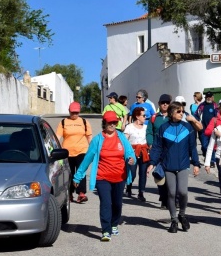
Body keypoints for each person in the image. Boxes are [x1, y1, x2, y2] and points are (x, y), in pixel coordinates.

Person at [73, 111, 135, 242]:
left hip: (120, 176)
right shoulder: (97, 140)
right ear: (104, 123)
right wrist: (77, 177)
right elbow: (87, 159)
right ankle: (106, 230)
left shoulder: (121, 137)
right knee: (106, 203)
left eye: (114, 122)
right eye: (110, 122)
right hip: (103, 177)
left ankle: (114, 224)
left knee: (117, 204)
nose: (112, 124)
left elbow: (130, 152)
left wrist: (131, 159)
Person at [149, 103, 201, 234]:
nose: (181, 114)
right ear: (172, 113)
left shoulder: (188, 127)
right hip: (168, 166)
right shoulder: (163, 128)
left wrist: (196, 163)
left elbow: (192, 147)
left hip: (183, 165)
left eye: (182, 111)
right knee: (171, 193)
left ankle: (182, 215)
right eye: (179, 111)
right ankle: (173, 220)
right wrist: (152, 163)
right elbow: (157, 147)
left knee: (183, 192)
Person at [56, 102, 93, 204]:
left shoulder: (84, 122)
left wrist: (93, 149)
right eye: (73, 112)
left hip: (82, 150)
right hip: (67, 152)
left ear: (79, 112)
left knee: (81, 171)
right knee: (70, 173)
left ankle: (81, 193)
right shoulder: (63, 122)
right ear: (69, 111)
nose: (74, 115)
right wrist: (56, 149)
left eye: (76, 112)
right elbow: (58, 137)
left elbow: (89, 137)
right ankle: (70, 193)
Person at [146, 94, 172, 208]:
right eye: (163, 103)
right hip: (158, 150)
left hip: (171, 151)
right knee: (160, 175)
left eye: (167, 102)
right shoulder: (154, 118)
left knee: (172, 176)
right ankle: (163, 198)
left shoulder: (174, 117)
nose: (165, 104)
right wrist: (151, 143)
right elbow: (149, 132)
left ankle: (172, 198)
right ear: (159, 104)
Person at [123, 107, 150, 202]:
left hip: (143, 151)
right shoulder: (129, 127)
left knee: (143, 173)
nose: (145, 117)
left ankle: (141, 193)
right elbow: (125, 141)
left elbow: (150, 139)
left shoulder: (147, 127)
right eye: (143, 115)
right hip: (132, 152)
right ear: (137, 116)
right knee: (132, 173)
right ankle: (129, 187)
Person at [196, 92, 218, 156]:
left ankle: (212, 161)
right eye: (207, 97)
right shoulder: (201, 106)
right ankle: (206, 156)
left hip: (212, 129)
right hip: (203, 130)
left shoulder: (215, 106)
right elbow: (197, 115)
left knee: (212, 145)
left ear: (212, 97)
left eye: (210, 97)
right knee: (204, 145)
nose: (209, 98)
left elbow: (217, 116)